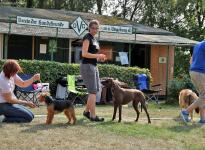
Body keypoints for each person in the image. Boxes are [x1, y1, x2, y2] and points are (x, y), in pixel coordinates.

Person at [80, 20, 107, 122]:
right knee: (93, 92)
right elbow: (84, 54)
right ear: (89, 28)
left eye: (97, 28)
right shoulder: (87, 37)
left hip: (94, 66)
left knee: (95, 90)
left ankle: (87, 112)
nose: (95, 30)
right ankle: (93, 116)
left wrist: (99, 58)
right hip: (87, 66)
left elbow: (93, 55)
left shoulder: (94, 39)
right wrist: (98, 55)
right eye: (93, 28)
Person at [180, 40, 205, 124]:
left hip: (193, 71)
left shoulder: (198, 45)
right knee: (204, 96)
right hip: (201, 72)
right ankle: (185, 112)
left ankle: (202, 119)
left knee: (202, 96)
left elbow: (191, 60)